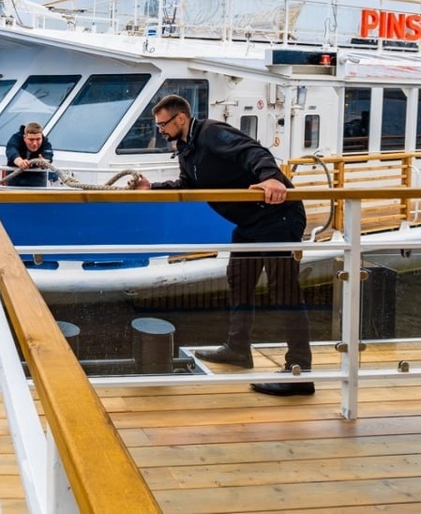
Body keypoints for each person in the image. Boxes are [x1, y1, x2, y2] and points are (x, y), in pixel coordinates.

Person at [134, 94, 314, 396]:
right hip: (249, 223)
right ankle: (238, 349)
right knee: (239, 279)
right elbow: (189, 185)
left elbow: (252, 151)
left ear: (180, 118)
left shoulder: (211, 133)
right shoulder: (187, 150)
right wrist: (152, 188)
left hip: (278, 216)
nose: (160, 131)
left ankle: (300, 371)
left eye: (163, 124)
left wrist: (270, 178)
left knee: (284, 289)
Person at [4, 122, 53, 187]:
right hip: (15, 178)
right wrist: (20, 162)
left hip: (37, 179)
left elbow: (48, 155)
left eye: (38, 139)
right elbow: (11, 151)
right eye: (31, 140)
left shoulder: (45, 142)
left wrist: (44, 161)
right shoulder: (16, 139)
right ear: (24, 138)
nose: (35, 143)